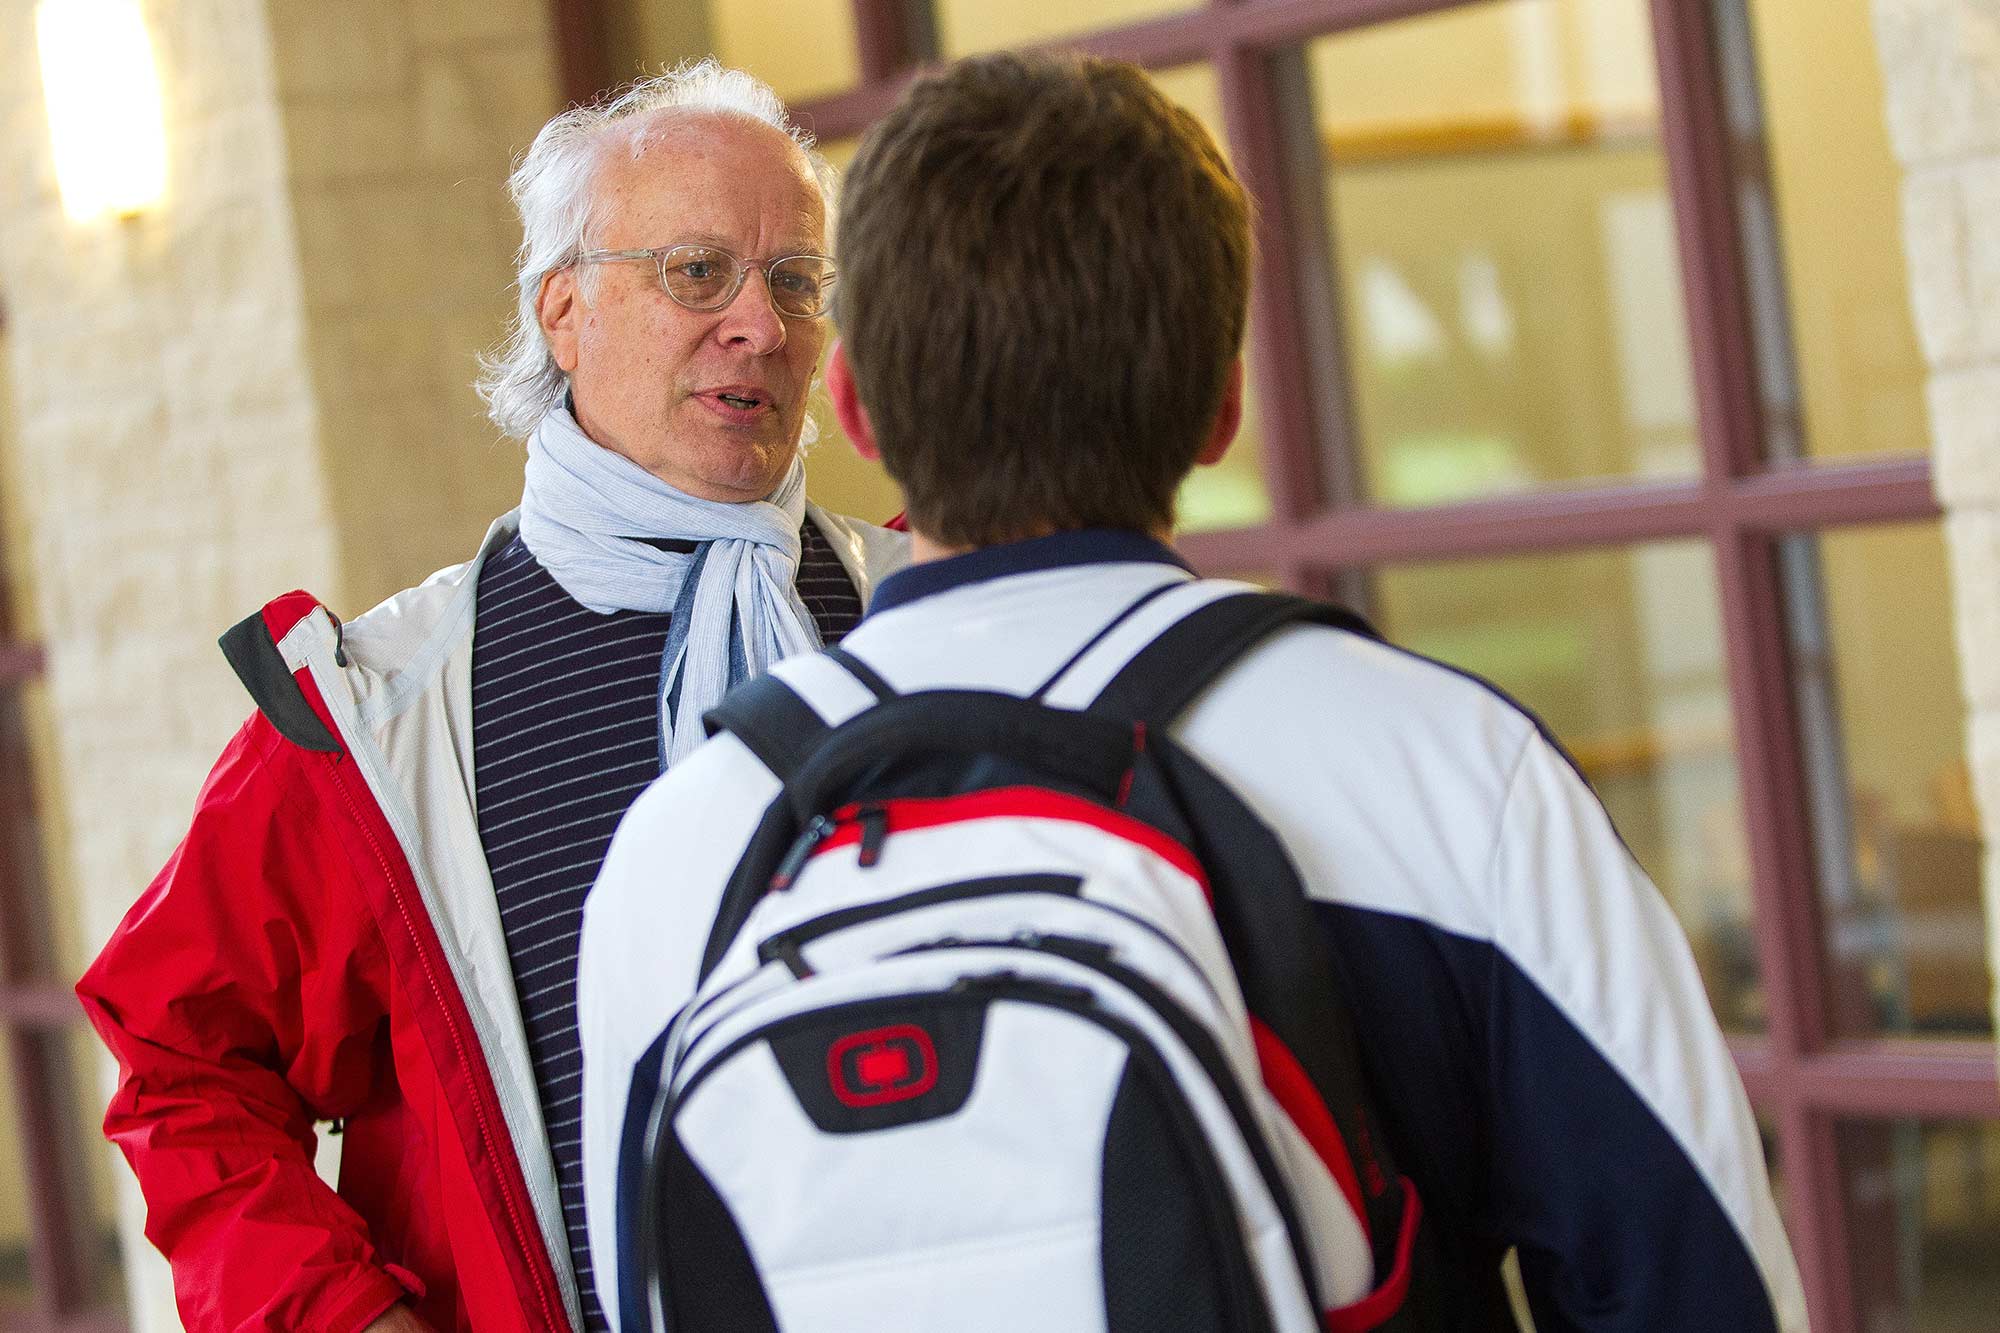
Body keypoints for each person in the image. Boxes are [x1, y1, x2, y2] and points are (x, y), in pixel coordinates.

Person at [580, 51, 1806, 1332]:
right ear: (1221, 409)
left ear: (856, 409)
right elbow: (1696, 1289)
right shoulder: (1450, 773)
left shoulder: (688, 844)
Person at [76, 62, 905, 1333]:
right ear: (562, 309)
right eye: (697, 272)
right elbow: (180, 1060)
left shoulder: (917, 614)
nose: (760, 324)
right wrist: (342, 1317)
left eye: (794, 281)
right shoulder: (387, 705)